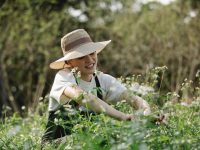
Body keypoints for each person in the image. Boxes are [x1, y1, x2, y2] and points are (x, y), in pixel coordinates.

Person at [41, 29, 151, 143]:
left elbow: (133, 99)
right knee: (103, 136)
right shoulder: (63, 77)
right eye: (81, 57)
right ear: (69, 62)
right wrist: (123, 117)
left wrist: (147, 112)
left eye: (92, 53)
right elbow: (83, 98)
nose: (89, 60)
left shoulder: (103, 80)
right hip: (56, 144)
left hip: (88, 142)